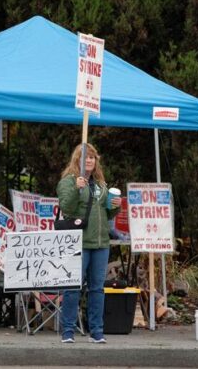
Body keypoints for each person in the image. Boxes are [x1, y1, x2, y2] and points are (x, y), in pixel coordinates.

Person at [56, 143, 120, 344]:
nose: (89, 160)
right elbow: (66, 206)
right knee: (73, 287)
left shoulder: (101, 183)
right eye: (85, 157)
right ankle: (68, 330)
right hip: (79, 241)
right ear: (77, 160)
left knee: (97, 288)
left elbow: (106, 212)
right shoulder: (69, 181)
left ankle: (97, 331)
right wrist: (77, 189)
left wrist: (115, 208)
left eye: (92, 157)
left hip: (101, 242)